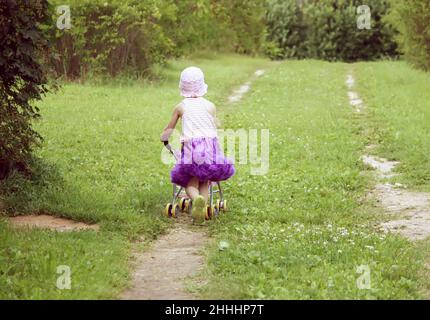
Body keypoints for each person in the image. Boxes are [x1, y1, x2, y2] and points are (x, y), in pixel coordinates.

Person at [160, 66, 235, 222]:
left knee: (190, 183)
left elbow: (170, 129)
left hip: (192, 149)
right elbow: (214, 127)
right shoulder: (210, 106)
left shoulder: (180, 107)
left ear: (182, 86)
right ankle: (203, 204)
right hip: (210, 148)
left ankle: (195, 199)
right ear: (202, 86)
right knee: (205, 181)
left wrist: (164, 137)